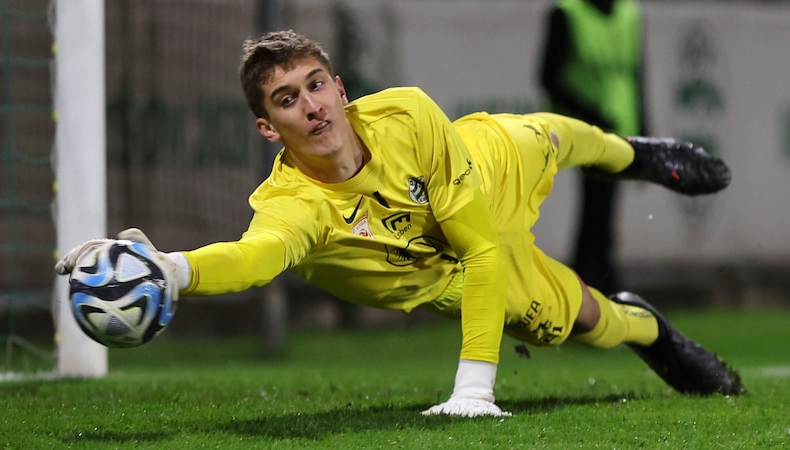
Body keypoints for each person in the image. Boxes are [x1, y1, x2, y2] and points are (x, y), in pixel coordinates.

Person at [55, 30, 744, 418]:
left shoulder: (408, 115)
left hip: (475, 184)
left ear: (341, 89)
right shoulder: (293, 206)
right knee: (588, 321)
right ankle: (656, 334)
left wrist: (472, 390)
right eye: (288, 100)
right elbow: (255, 257)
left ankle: (642, 156)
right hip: (446, 273)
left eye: (318, 85)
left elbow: (479, 244)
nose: (313, 108)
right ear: (269, 128)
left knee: (545, 136)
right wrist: (174, 270)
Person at [539, 0, 647, 294]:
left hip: (621, 132)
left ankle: (591, 284)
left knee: (601, 212)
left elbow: (637, 75)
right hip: (583, 133)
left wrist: (644, 131)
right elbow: (549, 77)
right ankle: (594, 284)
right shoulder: (567, 13)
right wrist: (590, 115)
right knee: (596, 213)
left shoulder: (629, 15)